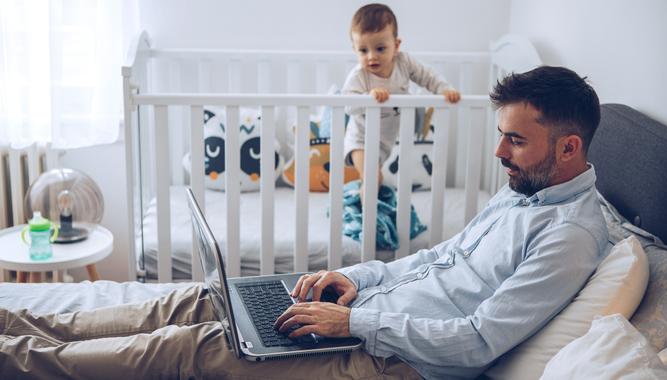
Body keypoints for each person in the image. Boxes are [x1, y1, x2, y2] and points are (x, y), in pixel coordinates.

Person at [0, 66, 608, 380]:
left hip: (396, 362)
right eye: (500, 135)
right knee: (195, 301)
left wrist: (353, 319)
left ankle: (18, 359)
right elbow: (433, 260)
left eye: (516, 141)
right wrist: (355, 278)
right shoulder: (525, 190)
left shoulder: (569, 237)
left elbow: (478, 339)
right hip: (366, 318)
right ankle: (24, 321)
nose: (499, 153)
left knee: (192, 346)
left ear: (568, 149)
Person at [342, 3, 461, 200]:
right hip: (360, 139)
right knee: (371, 178)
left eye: (380, 48)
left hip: (385, 142)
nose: (372, 56)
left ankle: (371, 209)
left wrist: (444, 89)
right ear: (354, 49)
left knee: (376, 178)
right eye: (363, 50)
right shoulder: (359, 76)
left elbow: (427, 76)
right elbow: (348, 105)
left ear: (396, 45)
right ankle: (367, 220)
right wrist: (369, 97)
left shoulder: (404, 63)